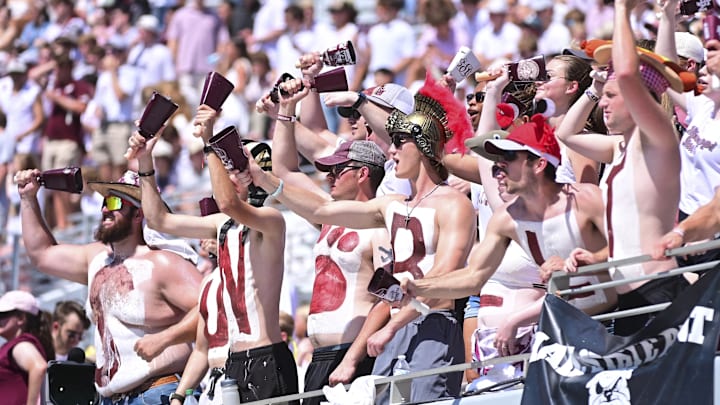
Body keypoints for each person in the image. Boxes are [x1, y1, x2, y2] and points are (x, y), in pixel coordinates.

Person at [240, 74, 475, 403]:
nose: (391, 152)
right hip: (393, 328)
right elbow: (322, 209)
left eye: (399, 142)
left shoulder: (455, 204)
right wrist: (264, 180)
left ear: (421, 146)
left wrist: (390, 328)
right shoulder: (392, 205)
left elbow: (445, 278)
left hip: (432, 324)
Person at [402, 114, 613, 386]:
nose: (498, 170)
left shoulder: (587, 198)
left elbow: (633, 247)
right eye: (497, 164)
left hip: (612, 322)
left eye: (508, 161)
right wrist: (419, 288)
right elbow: (474, 277)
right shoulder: (506, 218)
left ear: (539, 164)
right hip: (563, 331)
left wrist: (590, 259)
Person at [127, 108, 298, 404]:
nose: (229, 174)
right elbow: (158, 220)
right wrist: (145, 162)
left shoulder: (271, 220)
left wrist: (209, 142)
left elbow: (228, 203)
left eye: (236, 168)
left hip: (266, 357)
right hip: (234, 362)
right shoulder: (222, 224)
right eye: (229, 167)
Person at [554, 0, 692, 336]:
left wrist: (622, 9)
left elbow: (632, 75)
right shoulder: (620, 146)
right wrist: (593, 89)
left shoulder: (656, 141)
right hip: (628, 294)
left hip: (657, 290)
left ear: (638, 98)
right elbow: (566, 134)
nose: (604, 103)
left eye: (612, 95)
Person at [254, 80, 391, 404]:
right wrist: (285, 112)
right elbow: (285, 171)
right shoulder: (329, 216)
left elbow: (387, 297)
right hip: (320, 357)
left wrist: (353, 358)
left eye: (337, 171)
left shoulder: (382, 221)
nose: (328, 177)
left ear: (362, 174)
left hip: (354, 356)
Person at [15, 168, 201, 403]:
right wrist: (28, 198)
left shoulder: (162, 263)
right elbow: (41, 255)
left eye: (114, 202)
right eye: (104, 201)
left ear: (138, 214)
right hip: (110, 398)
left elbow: (213, 306)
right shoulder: (97, 260)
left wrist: (165, 338)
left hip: (156, 392)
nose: (105, 209)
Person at [0, 290, 55, 405]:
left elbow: (39, 367)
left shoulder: (21, 345)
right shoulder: (17, 344)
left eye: (2, 314)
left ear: (21, 318)